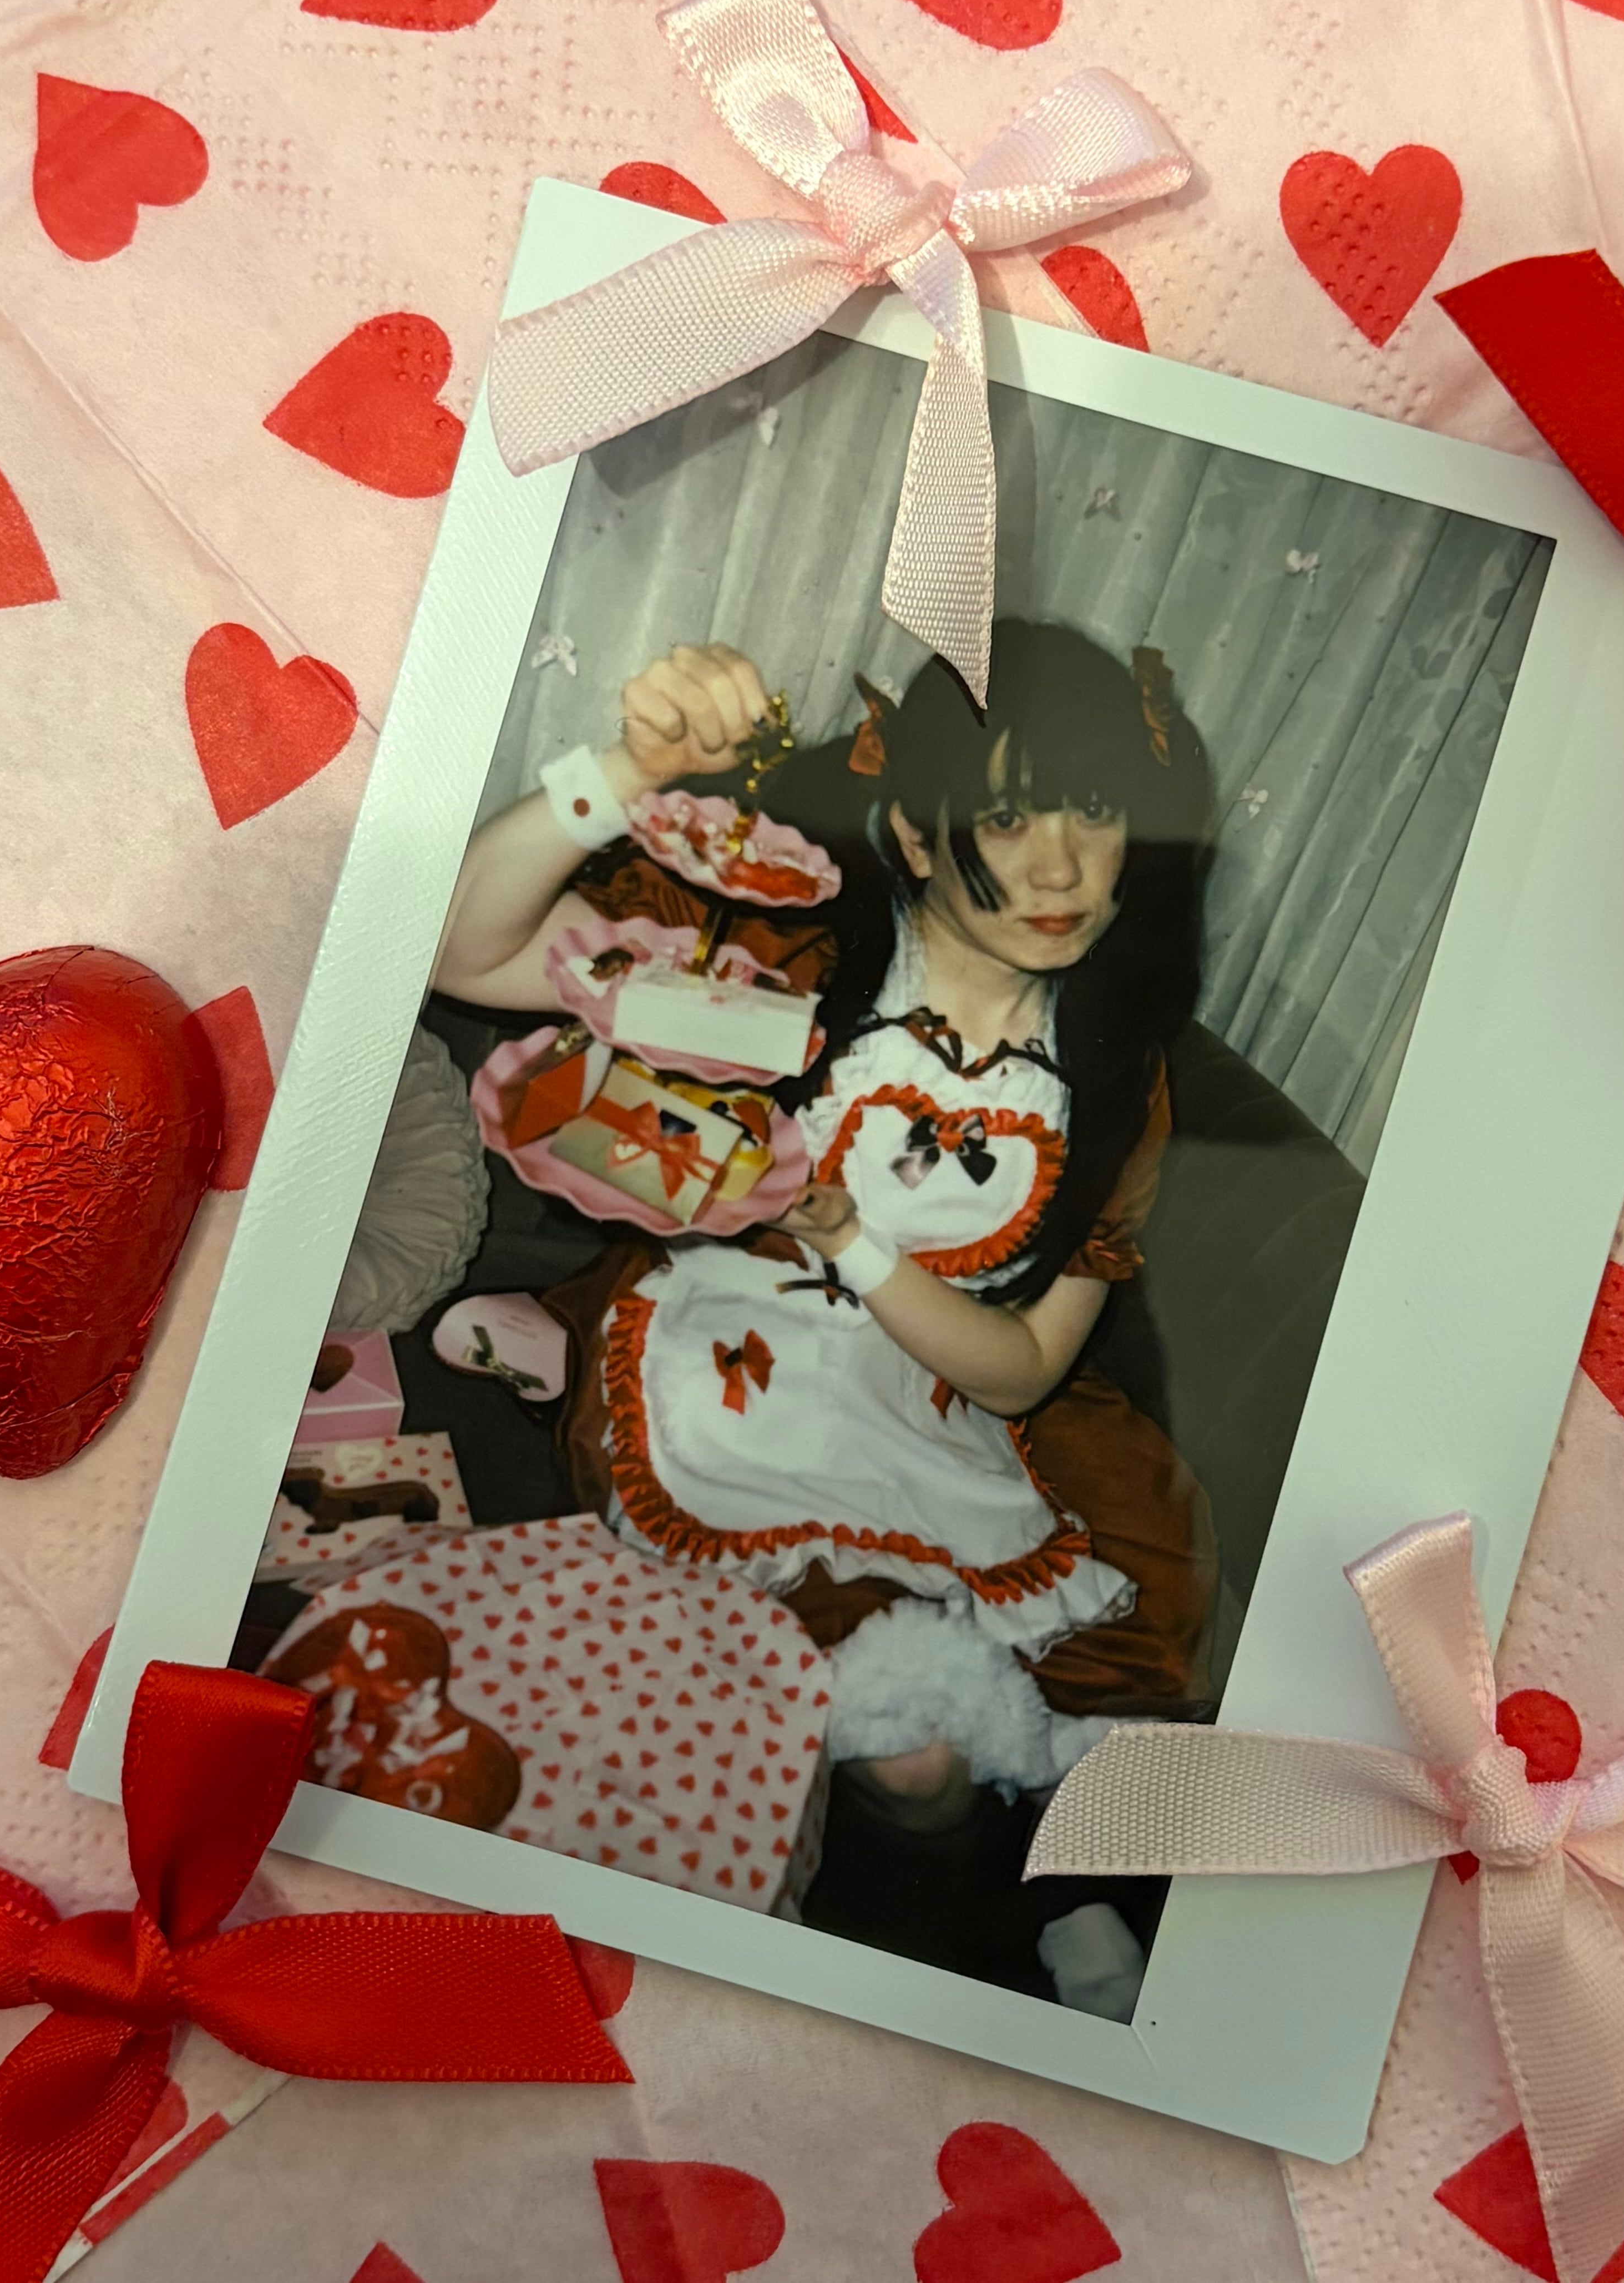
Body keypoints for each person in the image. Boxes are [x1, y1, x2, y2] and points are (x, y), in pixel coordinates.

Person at [392, 623, 1220, 1860]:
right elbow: (463, 949)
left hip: (941, 1387)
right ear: (917, 837)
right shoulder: (790, 964)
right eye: (1006, 820)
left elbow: (1023, 1371)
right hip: (737, 1342)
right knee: (909, 1751)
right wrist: (625, 768)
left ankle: (1046, 1889)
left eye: (1093, 812)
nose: (1060, 869)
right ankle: (576, 1346)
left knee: (968, 1759)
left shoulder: (1112, 1079)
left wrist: (855, 1240)